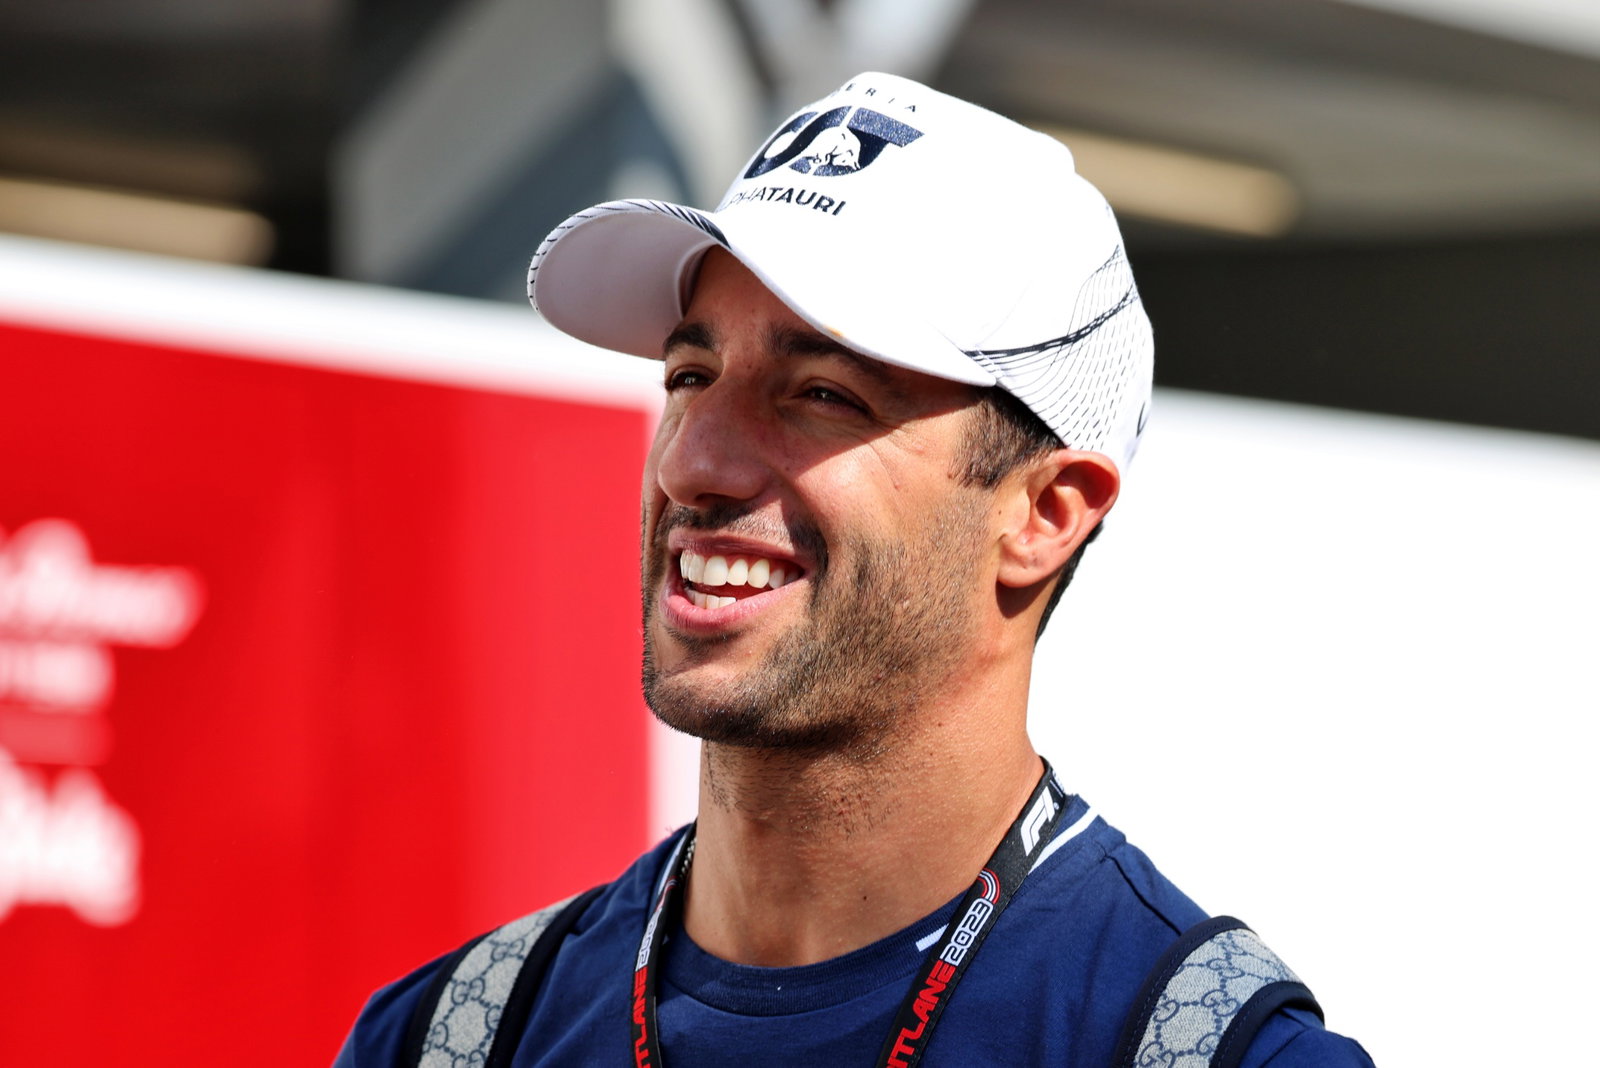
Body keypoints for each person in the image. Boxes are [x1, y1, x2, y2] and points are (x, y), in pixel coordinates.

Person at [336, 72, 1374, 1067]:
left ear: (1045, 515)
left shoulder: (1196, 1047)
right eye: (690, 376)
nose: (693, 462)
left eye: (824, 394)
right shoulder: (454, 1038)